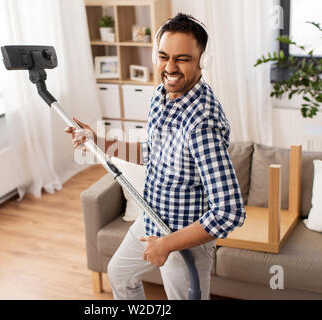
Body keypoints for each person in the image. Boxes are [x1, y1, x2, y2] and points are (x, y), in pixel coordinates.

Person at [64, 13, 245, 300]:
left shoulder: (202, 124)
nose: (170, 67)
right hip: (151, 219)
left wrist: (168, 244)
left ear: (202, 61)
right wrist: (98, 141)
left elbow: (229, 212)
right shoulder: (162, 95)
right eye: (163, 56)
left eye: (182, 59)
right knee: (120, 275)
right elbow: (152, 153)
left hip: (183, 241)